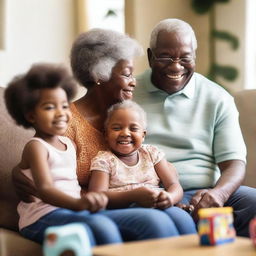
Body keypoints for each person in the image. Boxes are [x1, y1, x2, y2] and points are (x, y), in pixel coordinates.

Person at [12, 29, 187, 241]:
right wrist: (18, 172)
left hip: (121, 203)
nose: (134, 81)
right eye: (126, 73)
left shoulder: (124, 116)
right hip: (94, 206)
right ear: (98, 75)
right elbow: (38, 164)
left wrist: (168, 196)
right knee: (154, 222)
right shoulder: (66, 125)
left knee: (181, 218)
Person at [133, 18, 256, 237]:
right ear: (151, 56)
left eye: (185, 57)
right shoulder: (128, 93)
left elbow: (234, 164)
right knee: (175, 221)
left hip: (204, 191)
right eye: (166, 57)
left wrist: (217, 194)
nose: (176, 66)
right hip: (153, 192)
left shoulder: (217, 98)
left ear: (194, 56)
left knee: (253, 202)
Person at [4, 63, 123, 246]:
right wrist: (79, 204)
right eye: (50, 107)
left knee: (105, 224)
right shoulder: (36, 147)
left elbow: (70, 184)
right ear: (30, 116)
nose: (61, 113)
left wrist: (86, 202)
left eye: (65, 106)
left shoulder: (69, 143)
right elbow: (45, 189)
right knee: (100, 227)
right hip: (40, 217)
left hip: (69, 212)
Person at [88, 100, 197, 235]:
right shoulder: (104, 160)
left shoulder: (151, 153)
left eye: (133, 128)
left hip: (158, 204)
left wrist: (170, 198)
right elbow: (97, 195)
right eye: (116, 128)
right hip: (124, 209)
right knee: (159, 222)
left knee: (182, 219)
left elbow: (174, 184)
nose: (125, 133)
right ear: (105, 134)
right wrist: (133, 196)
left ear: (143, 135)